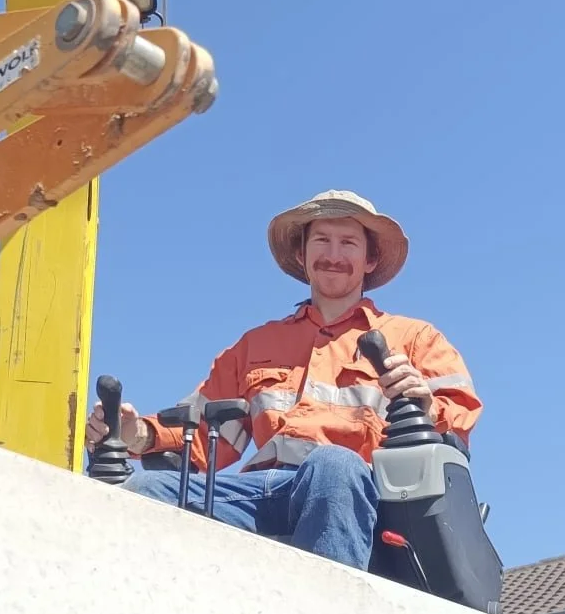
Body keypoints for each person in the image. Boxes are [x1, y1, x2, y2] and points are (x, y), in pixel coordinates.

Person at [84, 190, 481, 570]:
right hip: (255, 492)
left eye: (348, 243)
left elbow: (459, 415)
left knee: (334, 466)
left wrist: (427, 406)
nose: (333, 255)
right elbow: (206, 435)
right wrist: (135, 434)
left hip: (352, 490)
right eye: (321, 240)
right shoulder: (256, 344)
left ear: (370, 260)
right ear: (301, 254)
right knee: (143, 493)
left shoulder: (414, 338)